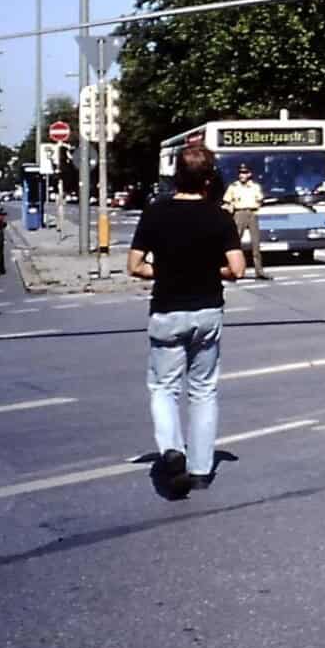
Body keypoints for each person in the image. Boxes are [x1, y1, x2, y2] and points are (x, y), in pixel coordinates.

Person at [128, 142, 245, 494]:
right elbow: (237, 269)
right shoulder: (219, 216)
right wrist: (209, 270)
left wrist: (165, 271)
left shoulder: (155, 212)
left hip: (167, 310)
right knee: (203, 391)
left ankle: (172, 450)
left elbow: (135, 266)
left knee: (164, 388)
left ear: (176, 176)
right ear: (209, 179)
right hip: (207, 311)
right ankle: (201, 469)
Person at [222, 162, 269, 280]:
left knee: (256, 244)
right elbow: (227, 201)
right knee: (234, 242)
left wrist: (256, 208)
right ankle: (231, 269)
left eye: (244, 173)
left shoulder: (255, 187)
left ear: (249, 174)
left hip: (252, 213)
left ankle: (259, 271)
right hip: (239, 213)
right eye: (240, 173)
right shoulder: (233, 187)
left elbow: (260, 199)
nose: (242, 175)